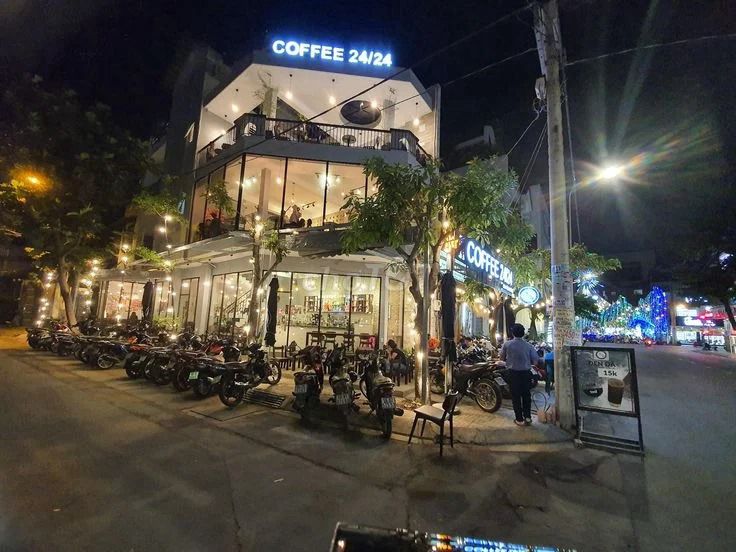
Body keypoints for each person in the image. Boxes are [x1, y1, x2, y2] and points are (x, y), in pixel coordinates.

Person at [499, 323, 538, 426]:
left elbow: (501, 358)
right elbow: (535, 361)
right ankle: (528, 417)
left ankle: (519, 419)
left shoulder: (507, 344)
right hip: (526, 374)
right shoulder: (529, 346)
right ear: (523, 333)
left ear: (513, 333)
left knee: (515, 397)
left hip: (513, 374)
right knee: (526, 395)